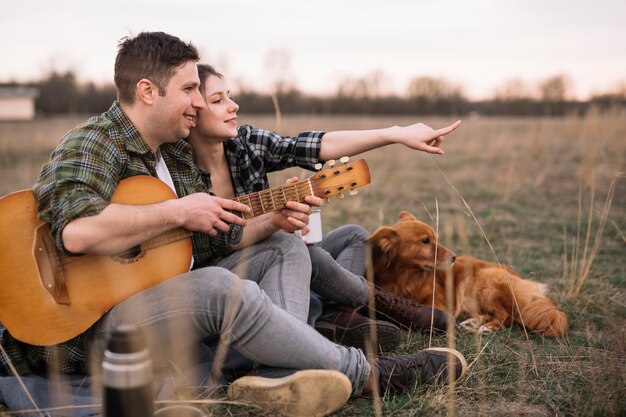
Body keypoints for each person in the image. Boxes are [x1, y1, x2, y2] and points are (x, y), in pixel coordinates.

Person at [0, 32, 467, 417]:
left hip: (149, 303)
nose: (196, 102)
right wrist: (179, 211)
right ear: (147, 91)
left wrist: (270, 221)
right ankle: (364, 372)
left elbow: (197, 245)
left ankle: (283, 375)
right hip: (86, 330)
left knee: (285, 248)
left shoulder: (175, 153)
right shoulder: (94, 142)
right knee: (223, 287)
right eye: (188, 90)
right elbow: (76, 231)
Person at [185, 64, 457, 351]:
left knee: (355, 236)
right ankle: (376, 306)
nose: (233, 105)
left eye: (229, 96)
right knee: (293, 247)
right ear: (191, 112)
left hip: (272, 252)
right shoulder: (176, 168)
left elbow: (311, 145)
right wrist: (274, 224)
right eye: (218, 101)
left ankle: (330, 313)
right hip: (226, 275)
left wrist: (394, 134)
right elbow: (214, 246)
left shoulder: (245, 144)